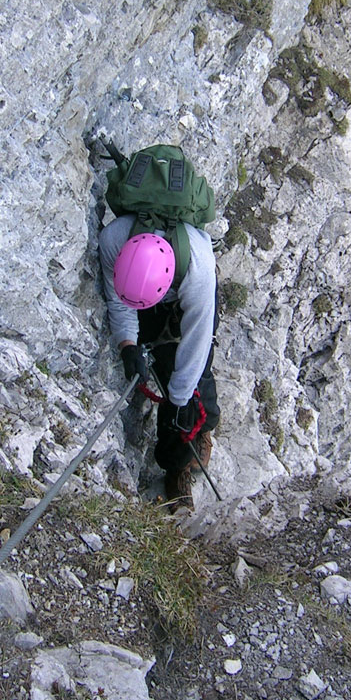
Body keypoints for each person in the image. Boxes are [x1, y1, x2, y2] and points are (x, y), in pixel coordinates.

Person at [99, 215, 220, 511]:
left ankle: (204, 427)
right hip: (148, 306)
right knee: (167, 374)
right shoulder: (113, 240)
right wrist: (128, 345)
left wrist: (181, 399)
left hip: (185, 298)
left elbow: (197, 342)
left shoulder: (199, 269)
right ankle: (175, 466)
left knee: (195, 381)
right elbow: (118, 299)